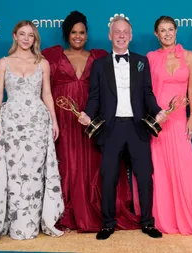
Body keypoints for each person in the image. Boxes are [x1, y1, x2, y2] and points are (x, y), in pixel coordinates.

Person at [42, 11, 139, 232]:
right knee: (68, 164)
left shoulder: (99, 56)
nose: (78, 36)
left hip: (92, 119)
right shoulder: (51, 56)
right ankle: (67, 211)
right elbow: (44, 91)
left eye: (82, 32)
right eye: (74, 32)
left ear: (87, 34)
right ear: (67, 34)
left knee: (97, 164)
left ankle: (100, 211)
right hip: (64, 120)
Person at [0, 20, 64, 245]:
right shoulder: (3, 62)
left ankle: (29, 225)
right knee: (12, 174)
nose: (26, 39)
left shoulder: (43, 63)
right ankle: (12, 224)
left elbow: (47, 95)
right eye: (22, 34)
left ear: (35, 39)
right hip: (11, 123)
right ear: (14, 36)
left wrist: (53, 120)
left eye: (30, 35)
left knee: (33, 174)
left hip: (37, 125)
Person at [79, 16, 166, 240]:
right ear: (110, 35)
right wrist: (87, 114)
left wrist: (157, 111)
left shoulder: (141, 61)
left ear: (131, 36)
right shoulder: (99, 65)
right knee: (108, 177)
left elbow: (147, 93)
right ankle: (108, 223)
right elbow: (95, 97)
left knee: (145, 177)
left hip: (138, 127)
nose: (120, 35)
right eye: (116, 32)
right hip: (111, 128)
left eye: (125, 32)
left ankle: (147, 222)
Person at [147, 16, 192, 236]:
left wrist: (191, 118)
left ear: (176, 31)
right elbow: (145, 91)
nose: (167, 34)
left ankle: (188, 218)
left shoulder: (188, 56)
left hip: (179, 121)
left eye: (170, 29)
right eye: (162, 30)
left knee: (184, 170)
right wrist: (153, 116)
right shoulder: (150, 57)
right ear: (156, 34)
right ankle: (163, 219)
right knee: (159, 172)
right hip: (158, 122)